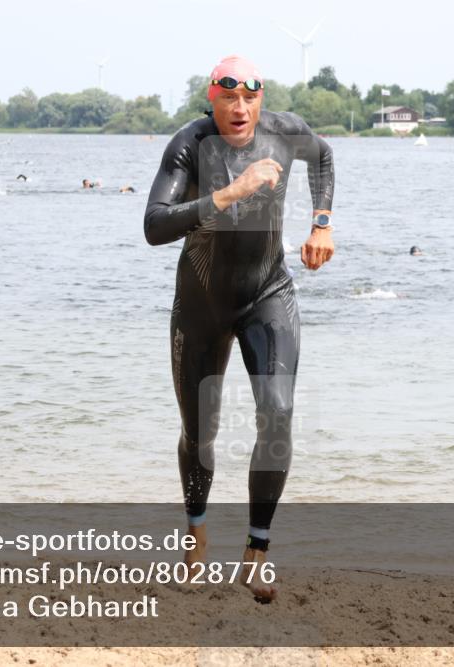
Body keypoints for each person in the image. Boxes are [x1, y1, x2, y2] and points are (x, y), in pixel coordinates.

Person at [144, 55, 335, 602]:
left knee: (277, 411)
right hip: (201, 305)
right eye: (228, 98)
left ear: (260, 100)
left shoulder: (285, 131)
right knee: (200, 433)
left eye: (250, 98)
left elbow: (324, 157)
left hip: (266, 294)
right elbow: (154, 225)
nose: (240, 108)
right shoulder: (189, 143)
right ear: (212, 99)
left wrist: (321, 221)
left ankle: (255, 553)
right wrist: (230, 193)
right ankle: (197, 535)